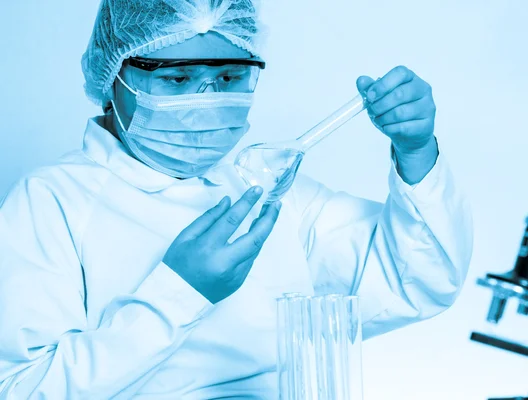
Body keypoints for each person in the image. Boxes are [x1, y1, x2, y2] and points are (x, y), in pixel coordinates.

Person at [0, 0, 473, 398]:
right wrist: (182, 291)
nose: (204, 100)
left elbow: (418, 283)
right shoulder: (53, 201)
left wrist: (415, 151)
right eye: (177, 79)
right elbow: (22, 389)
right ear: (113, 78)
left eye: (228, 78)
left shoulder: (269, 191)